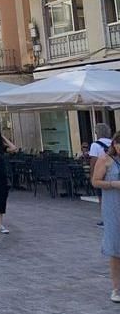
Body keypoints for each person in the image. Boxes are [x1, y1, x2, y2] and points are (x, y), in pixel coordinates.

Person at [91, 131, 120, 303]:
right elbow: (95, 181)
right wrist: (113, 184)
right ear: (115, 144)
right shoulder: (105, 160)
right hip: (114, 209)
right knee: (116, 249)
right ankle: (116, 288)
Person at [92, 123, 113, 226]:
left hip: (100, 174)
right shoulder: (112, 143)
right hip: (112, 172)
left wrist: (92, 175)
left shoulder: (95, 145)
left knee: (101, 198)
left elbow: (93, 161)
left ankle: (105, 218)